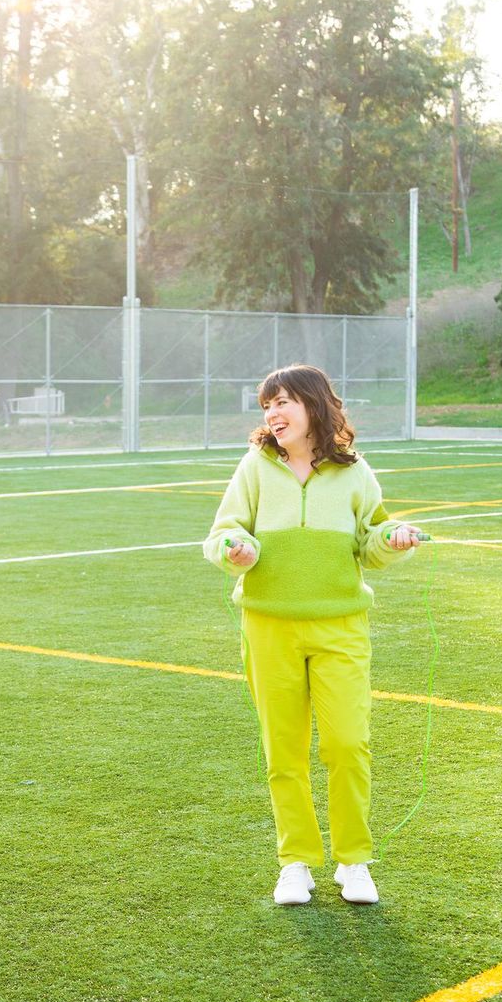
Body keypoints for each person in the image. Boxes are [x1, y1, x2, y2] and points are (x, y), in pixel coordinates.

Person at [203, 365, 422, 907]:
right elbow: (222, 534)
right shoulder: (254, 468)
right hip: (268, 625)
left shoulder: (355, 472)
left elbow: (371, 538)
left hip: (340, 626)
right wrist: (237, 549)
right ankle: (295, 863)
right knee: (285, 750)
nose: (272, 414)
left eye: (282, 402)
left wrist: (394, 541)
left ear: (314, 405)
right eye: (266, 406)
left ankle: (354, 861)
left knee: (348, 743)